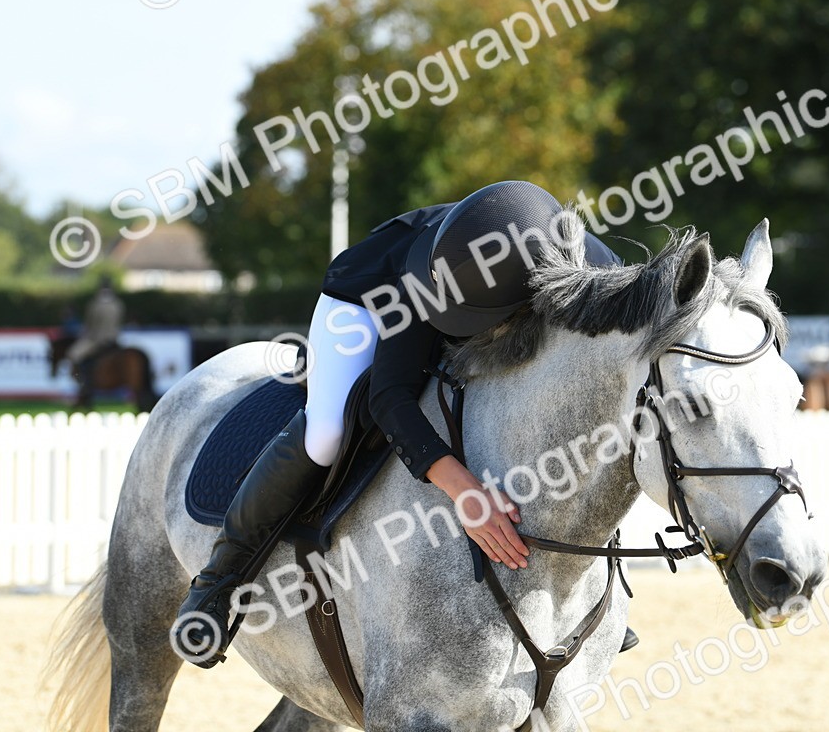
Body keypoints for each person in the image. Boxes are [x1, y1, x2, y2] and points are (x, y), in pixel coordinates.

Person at [175, 180, 639, 667]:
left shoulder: (595, 268)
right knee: (327, 432)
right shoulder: (416, 287)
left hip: (496, 285)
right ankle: (219, 581)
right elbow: (389, 397)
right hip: (368, 298)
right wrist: (466, 492)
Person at [66, 275, 125, 397]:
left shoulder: (94, 304)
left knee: (74, 354)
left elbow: (90, 325)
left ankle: (84, 384)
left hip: (97, 339)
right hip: (114, 339)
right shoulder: (118, 304)